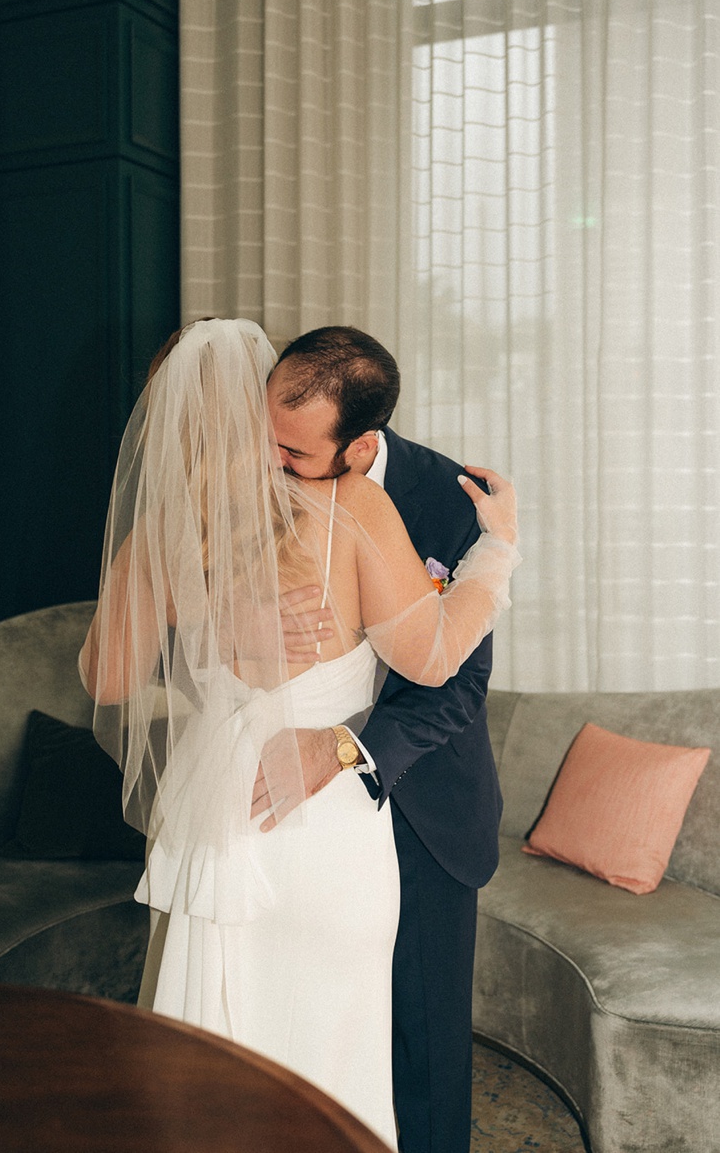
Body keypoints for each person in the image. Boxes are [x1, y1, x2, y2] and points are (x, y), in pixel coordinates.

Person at [82, 319, 518, 1150]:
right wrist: (497, 550)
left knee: (214, 1047)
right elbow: (431, 659)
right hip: (321, 839)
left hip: (213, 820)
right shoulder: (350, 507)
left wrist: (201, 630)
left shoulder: (160, 537)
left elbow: (106, 681)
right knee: (330, 1063)